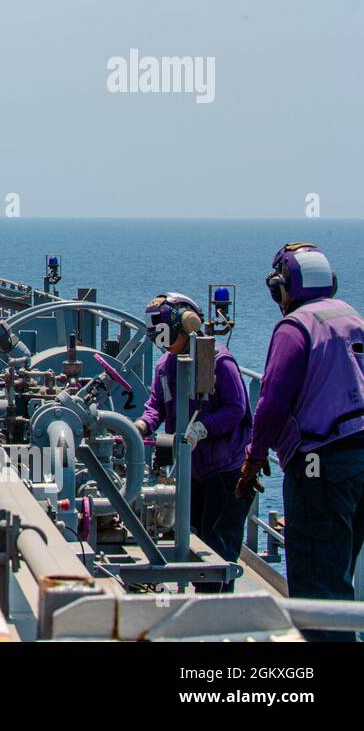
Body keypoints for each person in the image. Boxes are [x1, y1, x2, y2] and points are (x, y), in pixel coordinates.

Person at [237, 243, 364, 640]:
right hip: (359, 460)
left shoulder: (295, 328)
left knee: (317, 582)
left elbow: (271, 401)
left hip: (318, 464)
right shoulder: (351, 316)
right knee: (341, 569)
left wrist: (254, 458)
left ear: (282, 289)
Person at [133, 292, 253, 592]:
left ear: (187, 325)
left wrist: (203, 428)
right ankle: (202, 599)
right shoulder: (165, 366)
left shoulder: (219, 362)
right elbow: (157, 405)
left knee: (218, 539)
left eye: (166, 334)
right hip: (192, 470)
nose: (162, 343)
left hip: (225, 471)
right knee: (194, 535)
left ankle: (218, 608)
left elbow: (236, 408)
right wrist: (143, 424)